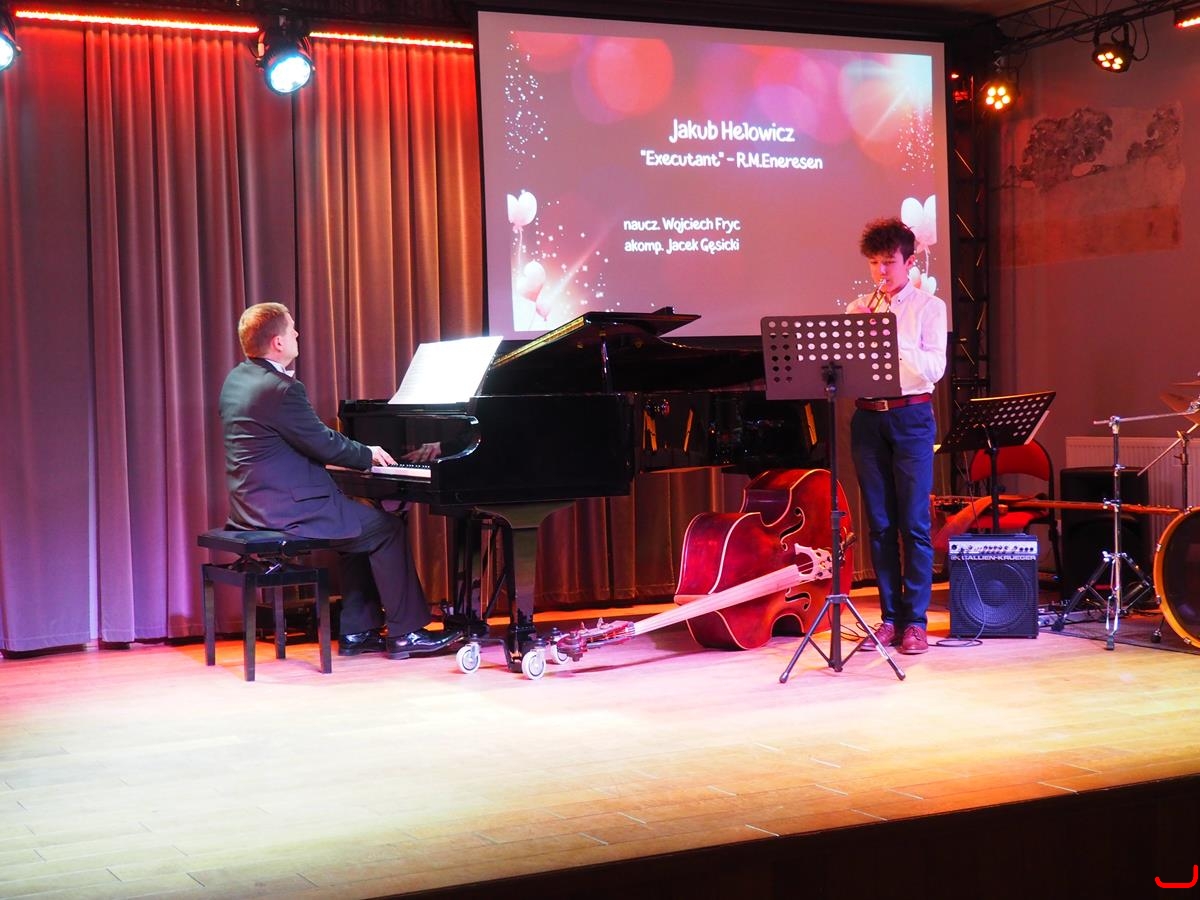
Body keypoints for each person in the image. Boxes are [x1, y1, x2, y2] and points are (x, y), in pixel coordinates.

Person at [219, 302, 459, 660]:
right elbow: (322, 442)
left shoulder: (237, 379)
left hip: (252, 504)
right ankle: (406, 634)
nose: (297, 333)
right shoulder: (280, 389)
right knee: (387, 529)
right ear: (278, 343)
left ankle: (357, 631)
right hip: (286, 509)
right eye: (292, 329)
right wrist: (367, 454)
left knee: (357, 525)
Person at [846, 218, 948, 655]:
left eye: (888, 262)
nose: (881, 272)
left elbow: (933, 370)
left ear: (908, 262)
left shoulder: (929, 307)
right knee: (881, 524)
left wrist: (888, 337)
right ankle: (889, 618)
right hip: (868, 418)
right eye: (874, 263)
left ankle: (916, 623)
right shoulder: (857, 308)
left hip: (911, 416)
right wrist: (857, 338)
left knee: (915, 523)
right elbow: (848, 371)